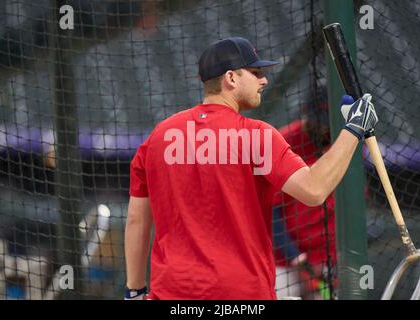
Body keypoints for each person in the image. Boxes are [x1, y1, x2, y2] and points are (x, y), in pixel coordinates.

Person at [124, 36, 378, 300]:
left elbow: (136, 220)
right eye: (256, 73)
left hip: (173, 293)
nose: (264, 80)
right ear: (231, 78)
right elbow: (314, 190)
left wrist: (135, 289)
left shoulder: (158, 137)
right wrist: (354, 130)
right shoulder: (256, 135)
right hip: (242, 293)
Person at [273, 86, 337, 299]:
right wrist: (296, 256)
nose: (322, 130)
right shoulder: (284, 142)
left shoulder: (344, 144)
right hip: (282, 257)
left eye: (327, 124)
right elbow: (269, 212)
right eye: (318, 122)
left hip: (328, 258)